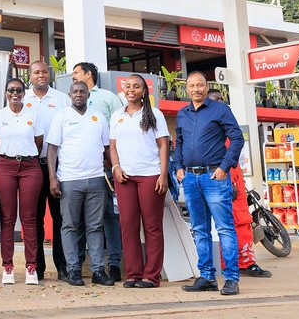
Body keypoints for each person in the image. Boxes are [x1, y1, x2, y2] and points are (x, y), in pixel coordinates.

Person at [174, 71, 244, 296]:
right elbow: (179, 143)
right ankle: (206, 277)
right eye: (192, 85)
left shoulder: (220, 109)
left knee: (224, 228)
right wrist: (179, 168)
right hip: (191, 179)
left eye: (200, 85)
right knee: (200, 229)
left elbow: (237, 138)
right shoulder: (182, 114)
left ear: (206, 86)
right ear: (187, 88)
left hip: (215, 176)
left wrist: (225, 167)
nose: (196, 89)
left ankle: (231, 278)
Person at [46, 80, 114, 287]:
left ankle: (97, 271)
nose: (78, 94)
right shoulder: (62, 116)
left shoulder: (98, 116)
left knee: (95, 226)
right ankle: (73, 269)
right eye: (75, 91)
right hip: (68, 180)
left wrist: (113, 169)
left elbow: (107, 148)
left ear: (87, 95)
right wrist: (52, 178)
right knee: (69, 226)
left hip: (95, 179)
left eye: (82, 91)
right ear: (70, 94)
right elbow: (51, 149)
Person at [109, 74, 168, 288]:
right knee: (128, 225)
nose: (131, 89)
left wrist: (163, 175)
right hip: (125, 177)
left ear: (144, 91)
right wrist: (115, 167)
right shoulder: (117, 115)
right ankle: (133, 273)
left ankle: (151, 275)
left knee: (152, 226)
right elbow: (112, 146)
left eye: (136, 86)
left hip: (150, 176)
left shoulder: (155, 115)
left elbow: (163, 145)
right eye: (128, 86)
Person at [207, 90, 272, 278]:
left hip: (237, 183)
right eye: (215, 99)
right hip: (222, 181)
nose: (220, 102)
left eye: (221, 99)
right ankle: (228, 264)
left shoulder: (228, 125)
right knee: (224, 225)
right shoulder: (208, 128)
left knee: (242, 222)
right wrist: (227, 182)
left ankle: (246, 262)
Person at [69, 61, 122, 280]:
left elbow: (119, 127)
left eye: (76, 73)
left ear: (88, 74)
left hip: (106, 168)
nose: (73, 77)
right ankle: (78, 265)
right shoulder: (71, 100)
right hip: (78, 171)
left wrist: (114, 164)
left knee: (108, 215)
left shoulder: (108, 98)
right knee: (79, 219)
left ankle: (115, 263)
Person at [0, 77, 44, 285]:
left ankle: (31, 266)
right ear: (6, 93)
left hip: (30, 167)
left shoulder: (33, 114)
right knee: (8, 218)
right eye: (11, 90)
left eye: (19, 90)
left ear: (24, 93)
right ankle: (8, 266)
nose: (15, 93)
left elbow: (38, 142)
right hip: (5, 166)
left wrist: (25, 155)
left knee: (29, 218)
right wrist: (10, 157)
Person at [26, 60, 71, 281]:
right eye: (36, 72)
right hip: (31, 166)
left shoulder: (62, 99)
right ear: (30, 75)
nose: (40, 75)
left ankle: (63, 267)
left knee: (60, 218)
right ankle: (38, 267)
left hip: (58, 167)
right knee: (34, 219)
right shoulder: (22, 99)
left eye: (44, 71)